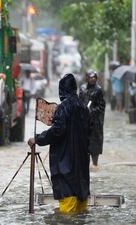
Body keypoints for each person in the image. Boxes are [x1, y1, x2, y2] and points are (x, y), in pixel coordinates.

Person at [27, 74, 90, 214]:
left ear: (62, 90)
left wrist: (37, 139)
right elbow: (89, 134)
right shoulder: (84, 108)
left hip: (65, 165)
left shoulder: (63, 108)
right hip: (82, 166)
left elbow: (57, 131)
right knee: (81, 212)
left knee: (67, 214)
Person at [79, 70, 105, 166]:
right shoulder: (82, 89)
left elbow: (102, 106)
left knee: (94, 145)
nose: (93, 79)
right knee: (83, 143)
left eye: (94, 77)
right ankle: (85, 166)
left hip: (95, 122)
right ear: (87, 78)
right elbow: (79, 102)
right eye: (91, 77)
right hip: (84, 121)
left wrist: (92, 110)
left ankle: (95, 165)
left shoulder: (99, 90)